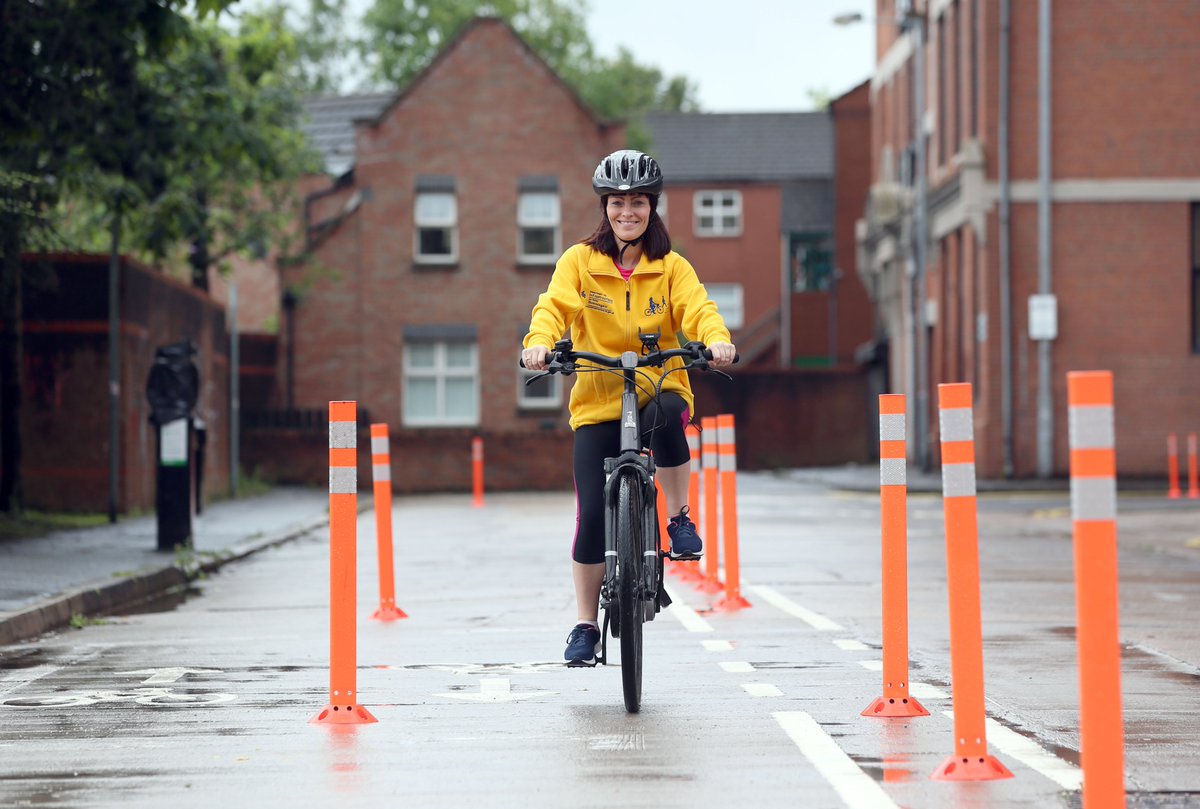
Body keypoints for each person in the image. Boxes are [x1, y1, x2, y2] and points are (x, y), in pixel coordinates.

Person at [521, 149, 737, 667]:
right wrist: (538, 344)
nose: (627, 213)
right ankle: (584, 624)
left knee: (666, 411)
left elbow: (699, 309)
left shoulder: (670, 267)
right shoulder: (580, 262)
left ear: (651, 207)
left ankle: (678, 519)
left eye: (638, 202)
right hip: (597, 398)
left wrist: (717, 340)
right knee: (592, 514)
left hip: (656, 383)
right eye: (618, 203)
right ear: (605, 207)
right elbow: (553, 306)